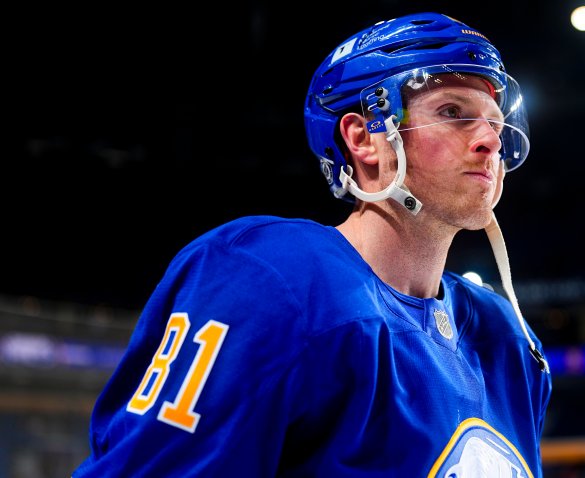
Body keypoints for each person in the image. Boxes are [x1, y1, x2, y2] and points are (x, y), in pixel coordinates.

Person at [73, 11, 552, 477]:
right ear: (365, 137)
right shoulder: (274, 279)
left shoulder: (505, 338)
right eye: (453, 112)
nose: (490, 140)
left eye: (494, 121)